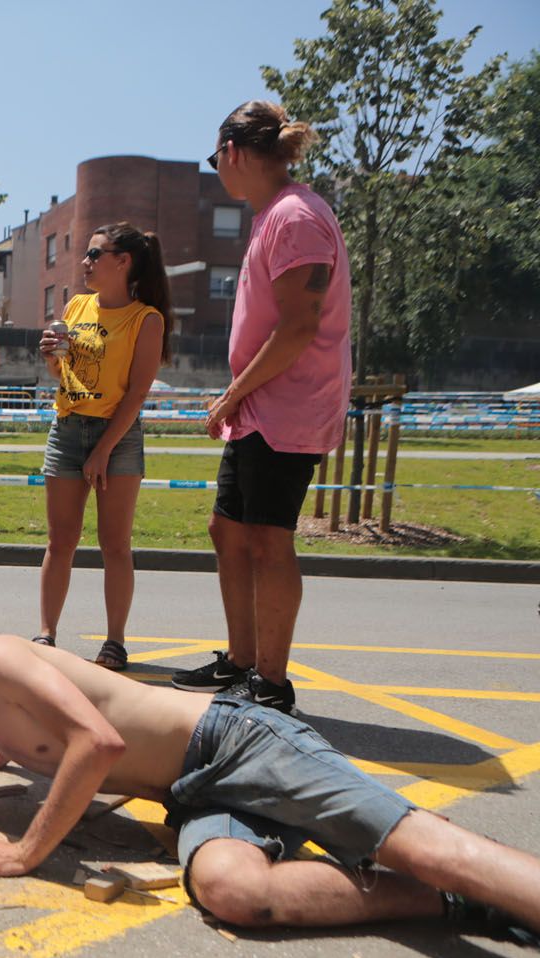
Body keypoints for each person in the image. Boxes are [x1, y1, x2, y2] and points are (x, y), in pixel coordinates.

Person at [0, 601, 540, 940]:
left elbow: (96, 742)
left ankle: (459, 868)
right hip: (192, 792)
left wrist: (22, 852)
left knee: (430, 848)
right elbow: (49, 724)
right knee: (233, 891)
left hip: (237, 741)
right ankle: (453, 902)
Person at [171, 101, 351, 715]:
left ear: (234, 153)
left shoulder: (297, 217)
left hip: (287, 407)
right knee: (229, 529)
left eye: (215, 157)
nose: (217, 168)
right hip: (261, 406)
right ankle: (242, 661)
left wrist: (232, 394)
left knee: (270, 540)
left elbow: (300, 327)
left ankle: (271, 682)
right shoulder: (275, 215)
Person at [35, 224, 171, 671]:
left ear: (123, 261)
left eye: (95, 254)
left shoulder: (146, 319)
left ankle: (115, 641)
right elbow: (64, 375)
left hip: (118, 435)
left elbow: (136, 394)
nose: (86, 262)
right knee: (61, 541)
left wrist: (103, 450)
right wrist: (52, 357)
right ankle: (47, 635)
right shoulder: (76, 305)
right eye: (87, 255)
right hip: (68, 429)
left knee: (115, 545)